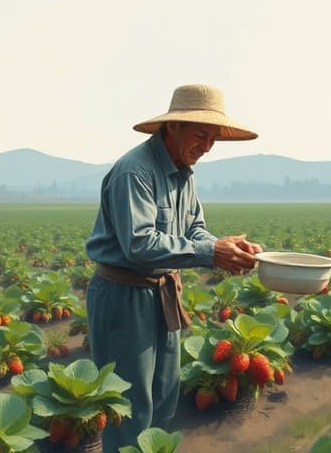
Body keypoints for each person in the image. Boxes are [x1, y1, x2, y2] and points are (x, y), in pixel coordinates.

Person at [85, 84, 263, 451]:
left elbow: (194, 227)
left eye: (213, 138)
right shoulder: (135, 173)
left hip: (161, 294)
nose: (208, 146)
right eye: (201, 135)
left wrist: (226, 248)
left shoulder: (184, 173)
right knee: (130, 407)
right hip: (124, 295)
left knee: (164, 396)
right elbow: (140, 245)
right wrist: (210, 252)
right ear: (172, 128)